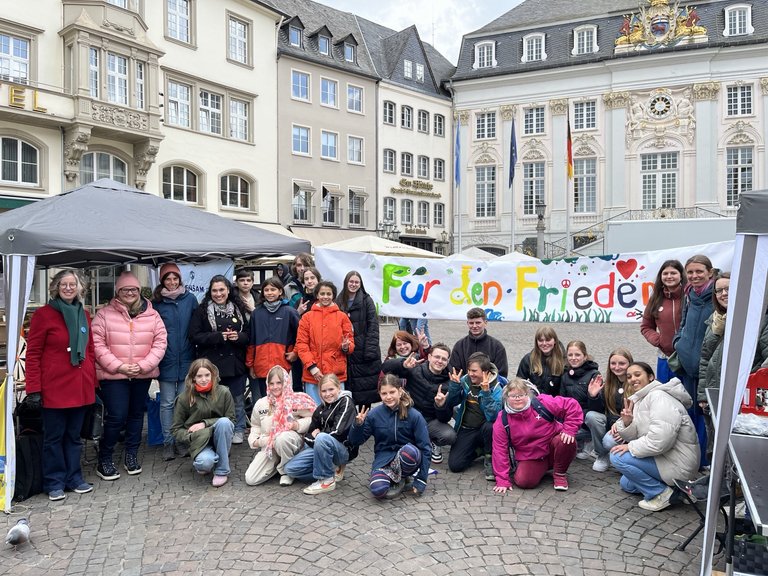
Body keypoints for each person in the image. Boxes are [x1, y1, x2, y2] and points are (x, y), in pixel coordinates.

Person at [24, 270, 97, 500]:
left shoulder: (84, 314)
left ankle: (74, 478)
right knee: (54, 437)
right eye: (64, 284)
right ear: (56, 287)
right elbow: (33, 354)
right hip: (54, 387)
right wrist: (33, 389)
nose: (68, 288)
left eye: (72, 284)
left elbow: (90, 351)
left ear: (79, 288)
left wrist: (92, 381)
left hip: (80, 386)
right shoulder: (43, 315)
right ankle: (54, 481)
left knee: (74, 437)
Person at [92, 271, 168, 481]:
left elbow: (160, 342)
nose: (129, 293)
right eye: (125, 290)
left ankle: (131, 455)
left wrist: (144, 366)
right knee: (116, 416)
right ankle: (105, 458)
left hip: (141, 374)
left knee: (136, 415)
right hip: (113, 375)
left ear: (139, 291)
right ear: (118, 292)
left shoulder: (152, 315)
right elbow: (97, 344)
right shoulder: (104, 315)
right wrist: (119, 366)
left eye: (133, 289)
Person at [609, 362, 699, 512]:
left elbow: (660, 441)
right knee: (627, 484)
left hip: (677, 462)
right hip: (662, 456)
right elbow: (636, 435)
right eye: (629, 376)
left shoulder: (659, 398)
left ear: (651, 377)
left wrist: (630, 447)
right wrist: (627, 422)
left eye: (638, 375)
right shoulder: (641, 398)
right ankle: (679, 490)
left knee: (617, 456)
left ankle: (661, 494)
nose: (632, 379)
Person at [188, 275, 250, 445]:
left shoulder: (239, 308)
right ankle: (212, 431)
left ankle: (238, 429)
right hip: (211, 364)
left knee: (237, 399)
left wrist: (238, 336)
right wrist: (217, 337)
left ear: (229, 290)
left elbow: (249, 335)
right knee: (213, 400)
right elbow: (194, 336)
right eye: (214, 290)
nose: (218, 293)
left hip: (235, 363)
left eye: (222, 290)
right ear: (210, 291)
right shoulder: (202, 311)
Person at [348, 374, 431, 499]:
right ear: (380, 395)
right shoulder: (374, 415)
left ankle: (403, 476)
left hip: (407, 458)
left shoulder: (414, 415)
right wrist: (358, 425)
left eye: (392, 392)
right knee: (378, 490)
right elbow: (355, 441)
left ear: (400, 391)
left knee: (410, 452)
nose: (388, 397)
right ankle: (395, 479)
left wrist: (421, 480)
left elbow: (425, 448)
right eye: (384, 393)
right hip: (384, 459)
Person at [492, 379, 582, 492]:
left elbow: (571, 405)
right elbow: (499, 450)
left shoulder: (541, 403)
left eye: (521, 395)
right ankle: (542, 468)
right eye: (513, 396)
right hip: (531, 455)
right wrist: (502, 480)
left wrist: (569, 429)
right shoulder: (502, 419)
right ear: (506, 397)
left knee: (566, 440)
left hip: (554, 445)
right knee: (524, 482)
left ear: (528, 394)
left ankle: (560, 473)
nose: (518, 398)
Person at [152, 262, 198, 461]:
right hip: (166, 358)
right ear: (162, 281)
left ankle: (182, 440)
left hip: (187, 357)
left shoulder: (190, 299)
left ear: (180, 279)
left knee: (183, 402)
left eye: (175, 278)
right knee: (167, 403)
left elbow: (196, 326)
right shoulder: (156, 303)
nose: (172, 282)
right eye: (168, 279)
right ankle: (168, 442)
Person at [673, 254, 715, 469]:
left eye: (699, 271)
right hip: (688, 366)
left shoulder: (718, 295)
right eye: (690, 272)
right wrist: (679, 341)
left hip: (708, 369)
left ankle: (708, 462)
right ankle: (691, 458)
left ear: (710, 272)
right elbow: (683, 322)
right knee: (689, 413)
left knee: (708, 417)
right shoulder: (690, 294)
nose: (694, 275)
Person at [381, 344, 455, 464]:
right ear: (429, 357)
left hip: (430, 420)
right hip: (409, 416)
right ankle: (415, 440)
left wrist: (440, 405)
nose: (439, 361)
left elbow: (445, 418)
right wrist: (403, 364)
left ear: (447, 362)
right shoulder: (415, 369)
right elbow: (385, 367)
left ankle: (431, 441)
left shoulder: (450, 382)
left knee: (449, 435)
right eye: (437, 357)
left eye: (443, 359)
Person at [283, 374, 356, 494]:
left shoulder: (346, 402)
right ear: (320, 392)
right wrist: (316, 438)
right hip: (321, 446)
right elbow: (308, 435)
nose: (328, 394)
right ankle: (330, 469)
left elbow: (338, 432)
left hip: (343, 449)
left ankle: (326, 480)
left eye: (331, 389)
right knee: (290, 469)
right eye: (324, 391)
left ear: (339, 388)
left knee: (322, 437)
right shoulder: (320, 409)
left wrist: (318, 436)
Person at [437, 351, 505, 480]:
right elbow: (452, 403)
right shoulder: (465, 380)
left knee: (490, 426)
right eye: (469, 370)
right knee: (455, 465)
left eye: (474, 371)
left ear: (485, 372)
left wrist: (486, 393)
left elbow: (493, 416)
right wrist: (455, 387)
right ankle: (479, 450)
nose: (470, 374)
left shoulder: (496, 387)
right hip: (467, 428)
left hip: (485, 429)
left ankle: (489, 456)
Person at [245, 365, 316, 486]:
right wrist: (254, 441)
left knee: (282, 439)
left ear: (286, 382)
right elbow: (255, 426)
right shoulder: (261, 403)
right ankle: (278, 464)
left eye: (279, 383)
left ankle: (286, 471)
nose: (275, 387)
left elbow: (314, 418)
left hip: (291, 442)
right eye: (271, 383)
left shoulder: (297, 400)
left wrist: (297, 425)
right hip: (268, 446)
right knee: (251, 479)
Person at [170, 359, 235, 487]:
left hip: (220, 435)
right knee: (205, 463)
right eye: (199, 376)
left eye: (207, 375)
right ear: (193, 378)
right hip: (199, 440)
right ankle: (207, 460)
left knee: (224, 422)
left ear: (213, 375)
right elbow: (176, 429)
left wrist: (205, 424)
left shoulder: (224, 392)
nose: (204, 379)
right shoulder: (184, 398)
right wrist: (190, 436)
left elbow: (231, 420)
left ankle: (222, 470)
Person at [295, 281, 354, 405]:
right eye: (322, 293)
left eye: (329, 294)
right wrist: (312, 367)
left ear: (333, 295)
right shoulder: (307, 317)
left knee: (337, 408)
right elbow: (302, 345)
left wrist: (346, 347)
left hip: (335, 372)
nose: (325, 297)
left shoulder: (342, 317)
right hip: (313, 374)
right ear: (317, 295)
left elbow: (351, 343)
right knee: (315, 410)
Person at [245, 277, 300, 399]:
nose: (269, 293)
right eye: (266, 290)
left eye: (273, 289)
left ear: (280, 291)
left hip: (282, 364)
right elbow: (251, 341)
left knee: (283, 400)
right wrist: (250, 365)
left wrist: (295, 352)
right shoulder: (256, 313)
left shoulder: (290, 312)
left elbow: (301, 336)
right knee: (265, 401)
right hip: (261, 365)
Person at [337, 271, 381, 410]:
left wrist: (370, 352)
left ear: (360, 284)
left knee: (365, 392)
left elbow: (373, 326)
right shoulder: (339, 300)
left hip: (364, 353)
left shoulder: (367, 300)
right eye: (351, 281)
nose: (353, 284)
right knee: (349, 391)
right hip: (346, 353)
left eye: (357, 282)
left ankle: (365, 422)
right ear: (346, 282)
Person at [641, 260, 685, 383]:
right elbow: (646, 326)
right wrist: (659, 340)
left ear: (681, 275)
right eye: (665, 273)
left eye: (673, 273)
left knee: (688, 396)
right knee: (666, 396)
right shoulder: (656, 298)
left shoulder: (689, 296)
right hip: (665, 358)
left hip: (687, 357)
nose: (669, 276)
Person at [592, 348, 634, 472]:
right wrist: (593, 397)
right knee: (591, 416)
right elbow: (600, 410)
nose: (617, 367)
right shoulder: (609, 385)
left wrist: (621, 425)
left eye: (622, 363)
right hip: (612, 425)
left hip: (630, 427)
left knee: (608, 441)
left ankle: (625, 457)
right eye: (613, 363)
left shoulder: (634, 384)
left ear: (630, 364)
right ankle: (603, 456)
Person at [449, 307, 508, 378]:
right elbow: (455, 371)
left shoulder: (497, 347)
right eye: (471, 323)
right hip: (464, 387)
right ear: (467, 323)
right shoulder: (459, 346)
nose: (474, 326)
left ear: (485, 323)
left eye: (478, 323)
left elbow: (501, 374)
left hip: (489, 387)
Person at [516, 326, 566, 396]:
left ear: (555, 341)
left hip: (556, 402)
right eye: (541, 340)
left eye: (548, 340)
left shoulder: (564, 360)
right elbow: (519, 382)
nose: (544, 343)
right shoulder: (528, 359)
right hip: (535, 400)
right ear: (536, 342)